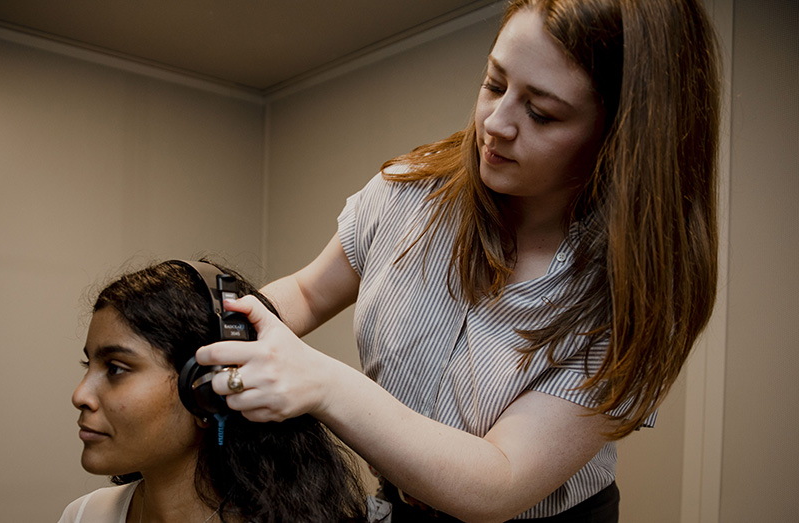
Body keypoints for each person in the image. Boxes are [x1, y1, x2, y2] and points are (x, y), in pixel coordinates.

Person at [194, 0, 721, 521]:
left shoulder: (628, 297)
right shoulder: (410, 191)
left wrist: (323, 384)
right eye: (494, 83)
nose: (496, 123)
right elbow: (306, 295)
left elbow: (498, 481)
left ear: (621, 136)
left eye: (541, 113)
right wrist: (212, 334)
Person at [58, 260, 385, 523]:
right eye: (89, 366)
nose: (80, 395)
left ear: (207, 391)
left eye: (115, 368)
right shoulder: (83, 515)